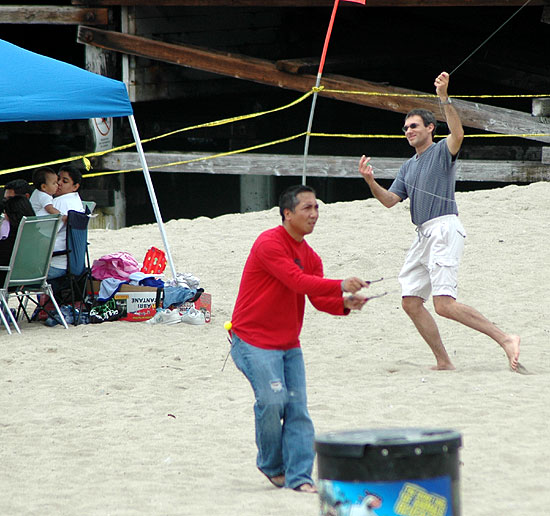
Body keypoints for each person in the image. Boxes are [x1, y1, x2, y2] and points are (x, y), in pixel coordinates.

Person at [358, 71, 520, 371]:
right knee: (410, 301)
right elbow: (390, 201)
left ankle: (505, 338)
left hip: (445, 227)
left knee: (444, 305)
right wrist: (370, 181)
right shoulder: (408, 166)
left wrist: (443, 97)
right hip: (422, 234)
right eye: (406, 127)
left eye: (414, 126)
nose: (408, 131)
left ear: (430, 128)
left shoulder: (441, 151)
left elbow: (458, 134)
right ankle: (444, 361)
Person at [229, 184, 369, 493]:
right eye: (307, 208)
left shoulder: (311, 255)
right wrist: (340, 284)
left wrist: (345, 303)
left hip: (288, 343)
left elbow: (316, 296)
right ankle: (272, 465)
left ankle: (300, 477)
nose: (314, 214)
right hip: (251, 339)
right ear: (287, 213)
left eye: (317, 208)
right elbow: (296, 280)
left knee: (298, 409)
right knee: (272, 401)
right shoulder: (268, 243)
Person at [48, 165, 85, 279]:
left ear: (75, 186)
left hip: (53, 265)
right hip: (71, 264)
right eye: (58, 179)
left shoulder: (60, 202)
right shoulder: (76, 201)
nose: (59, 183)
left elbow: (45, 235)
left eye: (65, 181)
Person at [0, 195, 35, 285]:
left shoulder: (9, 239)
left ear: (11, 215)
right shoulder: (35, 236)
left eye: (5, 213)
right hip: (31, 277)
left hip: (6, 280)